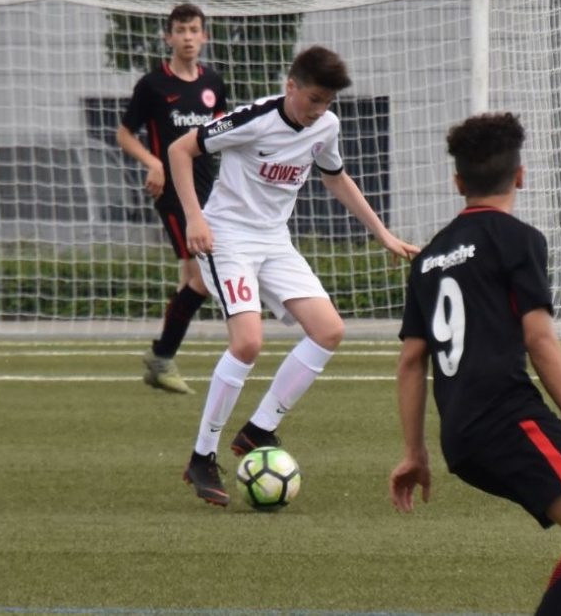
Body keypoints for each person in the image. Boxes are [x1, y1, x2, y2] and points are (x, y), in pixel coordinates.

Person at [388, 112, 561, 614]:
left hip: (462, 436)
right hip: (507, 418)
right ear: (520, 175)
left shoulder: (427, 258)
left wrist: (415, 453)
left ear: (458, 183)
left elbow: (411, 361)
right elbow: (539, 338)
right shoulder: (518, 238)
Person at [170, 45, 420, 505]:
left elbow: (335, 177)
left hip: (274, 241)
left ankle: (258, 429)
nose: (319, 110)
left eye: (328, 102)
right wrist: (194, 218)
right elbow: (180, 149)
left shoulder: (326, 126)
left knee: (328, 330)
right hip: (228, 238)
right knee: (248, 342)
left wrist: (383, 234)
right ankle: (201, 456)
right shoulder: (255, 119)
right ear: (291, 86)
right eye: (313, 99)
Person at [117, 4, 229, 395]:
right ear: (168, 37)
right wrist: (153, 162)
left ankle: (165, 354)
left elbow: (223, 131)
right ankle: (161, 356)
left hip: (209, 193)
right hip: (173, 196)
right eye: (180, 30)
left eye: (194, 29)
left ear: (204, 36)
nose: (187, 37)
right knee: (202, 278)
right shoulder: (153, 85)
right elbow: (125, 133)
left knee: (193, 280)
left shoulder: (213, 82)